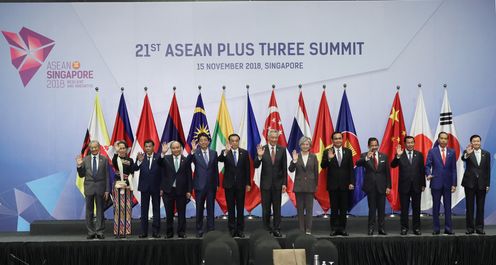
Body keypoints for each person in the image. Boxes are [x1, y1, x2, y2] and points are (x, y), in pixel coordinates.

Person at [254, 129, 287, 237]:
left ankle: (277, 229)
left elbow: (284, 168)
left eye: (275, 137)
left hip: (278, 185)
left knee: (277, 209)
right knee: (266, 209)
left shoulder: (282, 150)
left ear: (278, 138)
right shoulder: (262, 149)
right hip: (266, 185)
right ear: (268, 138)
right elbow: (255, 165)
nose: (274, 139)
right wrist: (259, 156)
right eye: (272, 137)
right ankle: (266, 229)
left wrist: (284, 184)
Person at [321, 132, 355, 236]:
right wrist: (329, 158)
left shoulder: (348, 152)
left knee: (344, 208)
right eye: (335, 139)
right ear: (332, 140)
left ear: (342, 139)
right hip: (333, 185)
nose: (338, 140)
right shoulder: (327, 151)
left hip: (345, 185)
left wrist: (351, 182)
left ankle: (342, 229)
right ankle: (334, 229)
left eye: (340, 138)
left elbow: (351, 169)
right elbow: (323, 166)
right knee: (334, 208)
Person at [390, 136, 425, 235]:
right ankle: (404, 228)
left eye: (412, 142)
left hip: (417, 186)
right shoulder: (400, 154)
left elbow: (422, 170)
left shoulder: (419, 155)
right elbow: (392, 165)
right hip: (404, 186)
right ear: (405, 144)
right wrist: (397, 156)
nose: (410, 144)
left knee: (416, 208)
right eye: (408, 143)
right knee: (404, 209)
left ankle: (416, 228)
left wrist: (423, 184)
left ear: (414, 143)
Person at [218, 133, 251, 238]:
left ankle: (240, 230)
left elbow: (247, 169)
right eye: (232, 141)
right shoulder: (225, 152)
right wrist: (226, 152)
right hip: (229, 185)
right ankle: (232, 230)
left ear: (238, 141)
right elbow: (220, 160)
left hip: (241, 185)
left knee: (240, 209)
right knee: (231, 208)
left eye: (236, 140)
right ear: (229, 142)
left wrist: (248, 183)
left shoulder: (244, 153)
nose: (235, 142)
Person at [356, 137, 391, 235]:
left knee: (381, 209)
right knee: (372, 209)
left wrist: (388, 186)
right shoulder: (364, 155)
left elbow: (387, 173)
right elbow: (357, 163)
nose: (374, 147)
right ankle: (371, 228)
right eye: (372, 145)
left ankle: (381, 229)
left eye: (376, 145)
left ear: (378, 145)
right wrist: (367, 157)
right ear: (368, 146)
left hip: (382, 186)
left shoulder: (384, 156)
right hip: (370, 187)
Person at [76, 140, 110, 239]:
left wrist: (107, 190)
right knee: (89, 211)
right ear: (90, 149)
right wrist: (79, 165)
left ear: (99, 148)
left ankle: (99, 232)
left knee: (100, 211)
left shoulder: (104, 159)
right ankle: (91, 232)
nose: (94, 149)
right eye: (92, 148)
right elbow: (81, 175)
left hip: (101, 189)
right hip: (89, 188)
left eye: (95, 147)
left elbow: (107, 176)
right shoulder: (85, 159)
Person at [187, 133, 219, 238]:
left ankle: (211, 229)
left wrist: (217, 184)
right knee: (199, 209)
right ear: (198, 142)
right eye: (201, 140)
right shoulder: (195, 153)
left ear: (208, 142)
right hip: (199, 186)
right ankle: (199, 229)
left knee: (211, 208)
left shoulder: (214, 153)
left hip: (211, 186)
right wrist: (191, 152)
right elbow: (187, 163)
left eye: (205, 140)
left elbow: (215, 169)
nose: (203, 142)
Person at [425, 132, 457, 235]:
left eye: (445, 139)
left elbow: (453, 169)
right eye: (441, 138)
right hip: (436, 183)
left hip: (448, 184)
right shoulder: (432, 151)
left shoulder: (452, 152)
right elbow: (427, 165)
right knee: (436, 207)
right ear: (438, 139)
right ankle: (436, 228)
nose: (443, 140)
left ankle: (448, 228)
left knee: (448, 207)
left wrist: (454, 184)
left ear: (447, 140)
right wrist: (428, 174)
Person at [159, 141, 192, 238]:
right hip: (168, 191)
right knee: (169, 214)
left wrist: (189, 190)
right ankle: (169, 233)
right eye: (173, 148)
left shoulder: (185, 160)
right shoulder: (165, 158)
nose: (176, 150)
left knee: (182, 213)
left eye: (177, 147)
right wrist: (163, 153)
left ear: (181, 149)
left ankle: (181, 232)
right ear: (171, 149)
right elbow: (159, 163)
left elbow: (189, 176)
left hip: (181, 191)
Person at [288, 136, 318, 234]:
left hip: (310, 187)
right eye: (303, 144)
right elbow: (291, 169)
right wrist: (294, 161)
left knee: (309, 210)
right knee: (300, 210)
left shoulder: (313, 157)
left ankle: (308, 229)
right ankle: (301, 229)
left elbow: (316, 173)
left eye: (307, 144)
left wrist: (315, 186)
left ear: (310, 145)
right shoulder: (297, 156)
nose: (305, 146)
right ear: (300, 145)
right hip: (299, 187)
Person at [461, 134, 491, 235]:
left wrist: (487, 184)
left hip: (482, 184)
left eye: (478, 141)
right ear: (471, 143)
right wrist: (468, 154)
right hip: (469, 184)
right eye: (474, 141)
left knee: (480, 207)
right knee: (469, 207)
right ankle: (470, 228)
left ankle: (479, 228)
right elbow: (463, 158)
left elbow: (487, 170)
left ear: (480, 142)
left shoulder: (486, 154)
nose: (476, 143)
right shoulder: (467, 152)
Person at [133, 139, 162, 238]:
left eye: (150, 146)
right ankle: (144, 232)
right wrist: (139, 161)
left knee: (156, 210)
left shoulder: (159, 157)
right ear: (144, 148)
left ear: (153, 147)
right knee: (144, 210)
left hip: (156, 187)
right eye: (146, 146)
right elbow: (134, 168)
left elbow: (163, 171)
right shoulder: (141, 157)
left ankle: (155, 232)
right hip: (144, 188)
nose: (148, 148)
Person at [111, 141, 135, 238]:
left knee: (127, 207)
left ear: (126, 149)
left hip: (128, 185)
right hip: (118, 185)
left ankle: (126, 230)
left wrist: (128, 182)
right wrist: (116, 152)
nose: (121, 150)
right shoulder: (116, 158)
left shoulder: (130, 160)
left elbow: (132, 172)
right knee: (118, 207)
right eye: (120, 148)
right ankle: (118, 230)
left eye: (123, 148)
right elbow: (114, 163)